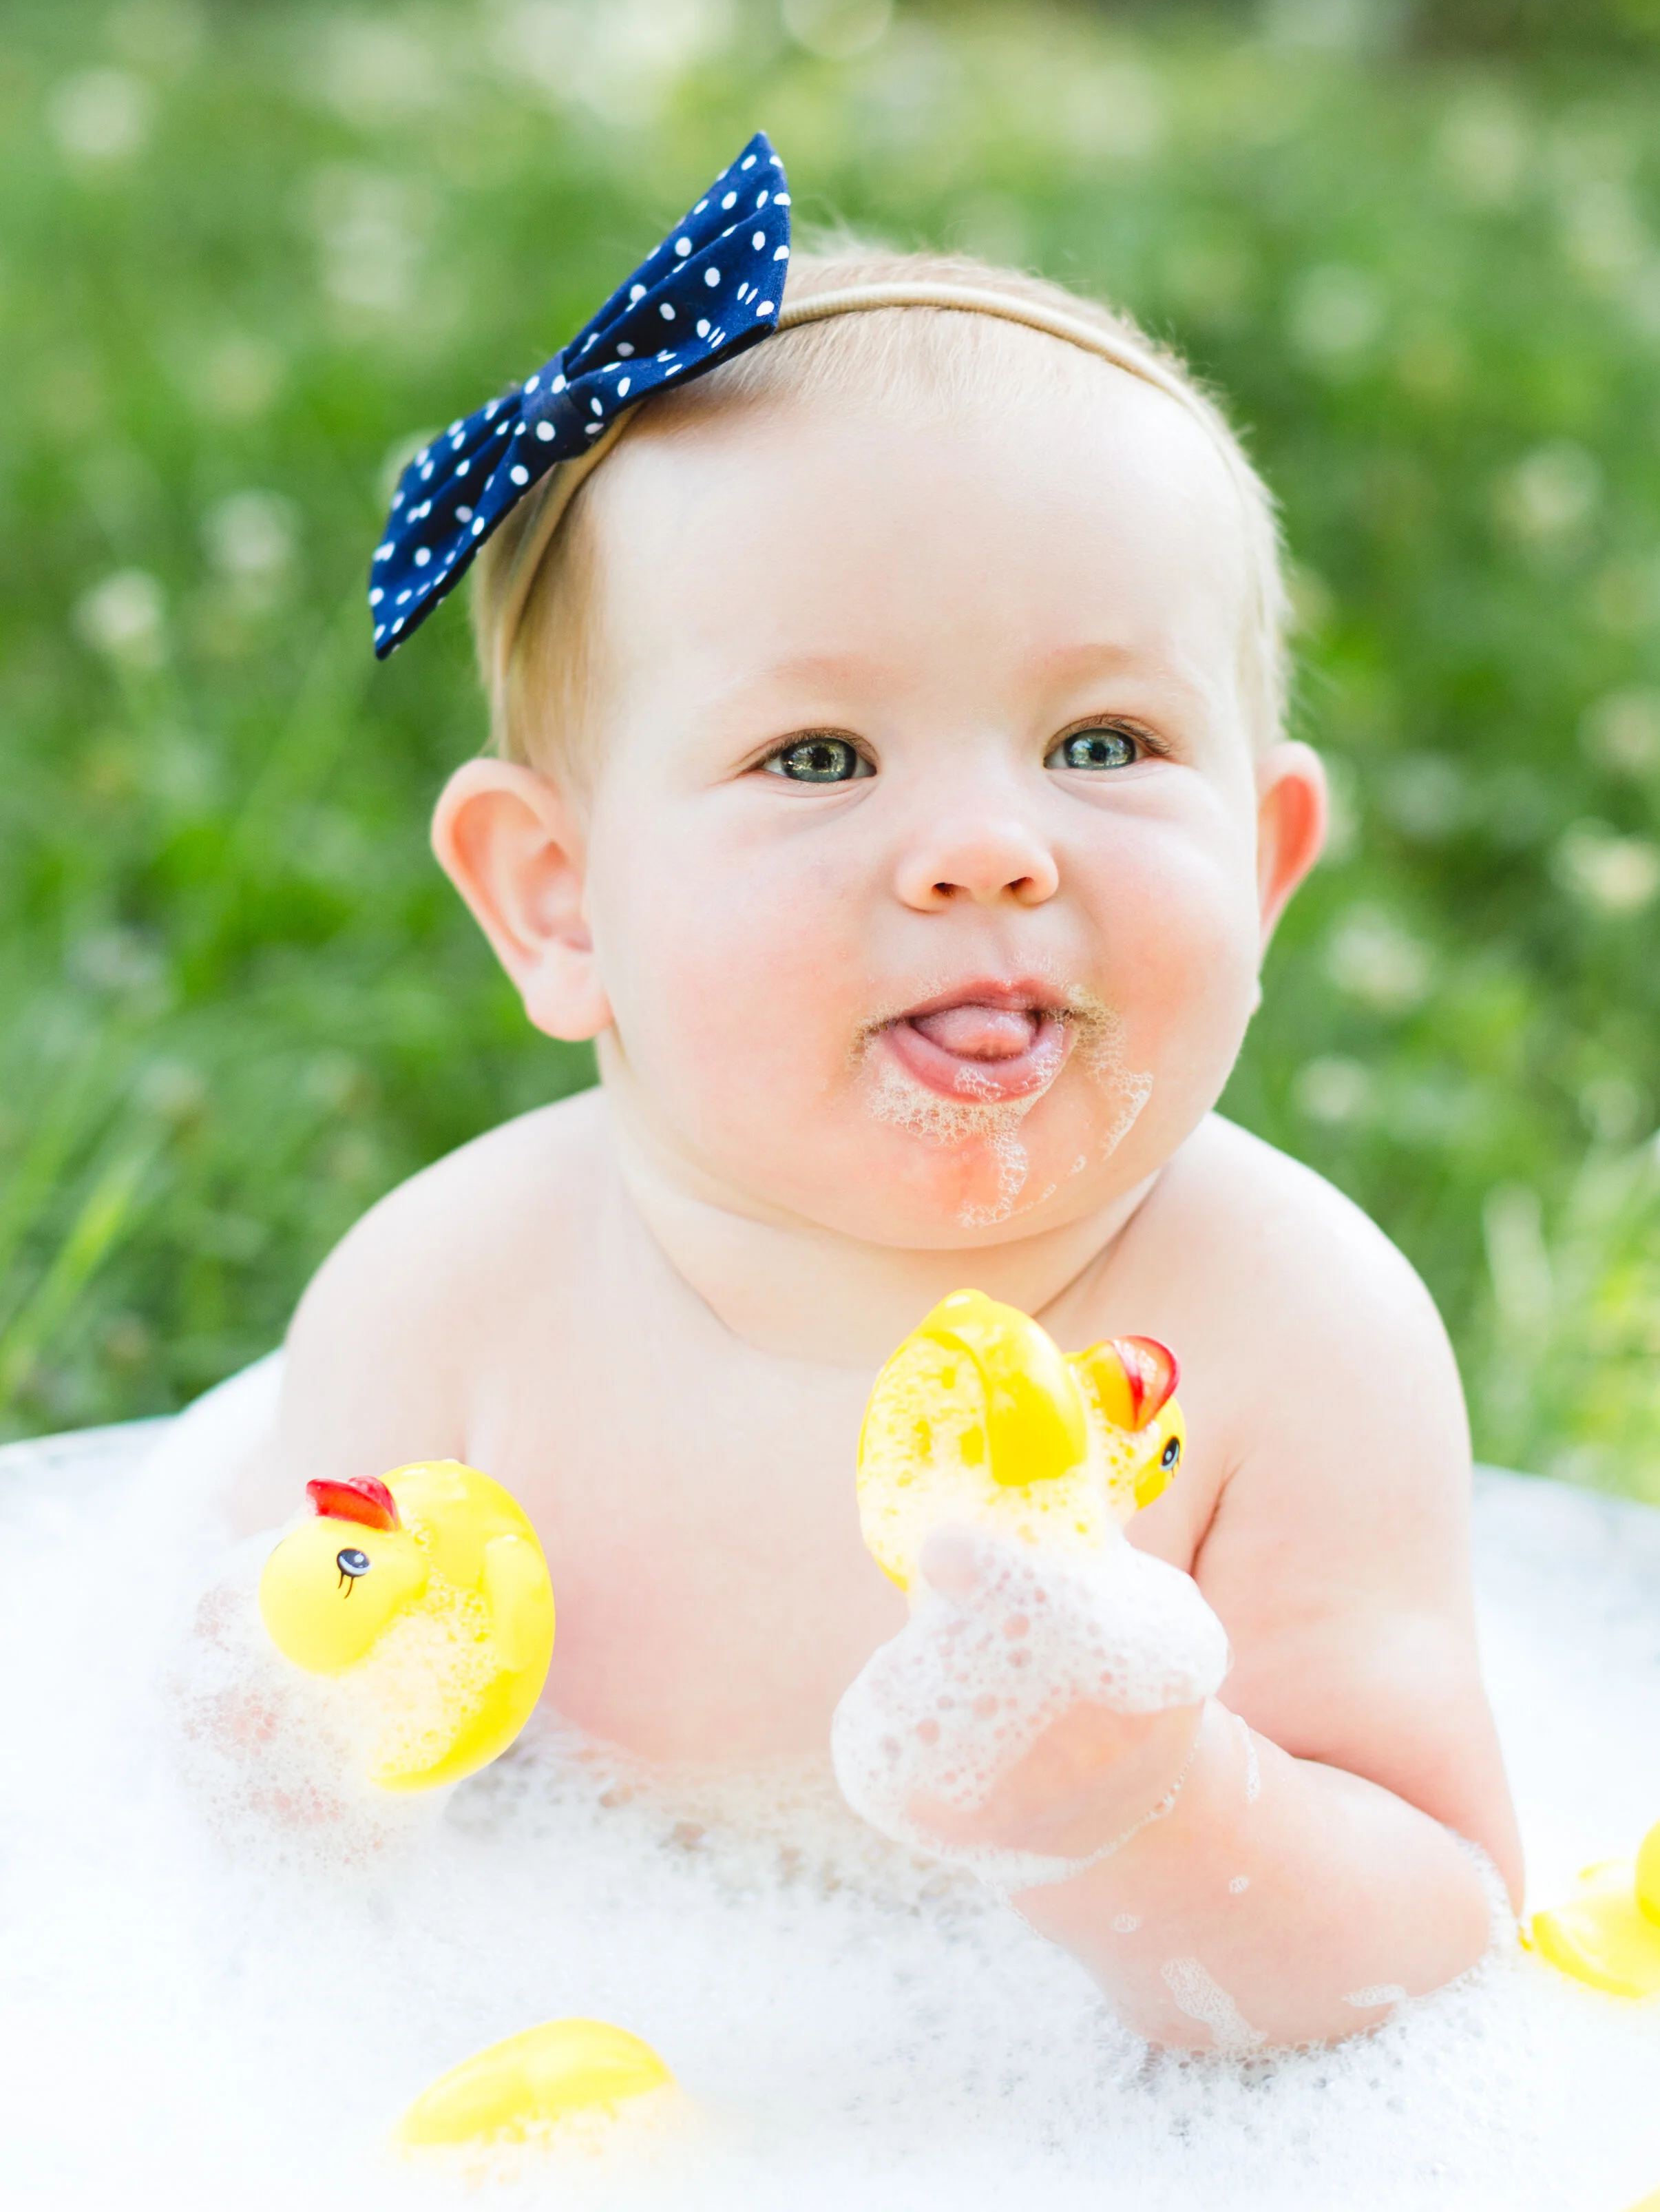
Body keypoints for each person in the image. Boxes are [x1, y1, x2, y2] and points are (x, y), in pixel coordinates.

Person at [233, 143, 1520, 2052]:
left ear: (1264, 868)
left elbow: (1439, 1930)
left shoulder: (1286, 1336)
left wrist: (1146, 1812)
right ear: (559, 901)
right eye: (819, 754)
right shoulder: (457, 1301)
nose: (986, 849)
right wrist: (322, 1745)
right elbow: (251, 1846)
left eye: (1105, 739)